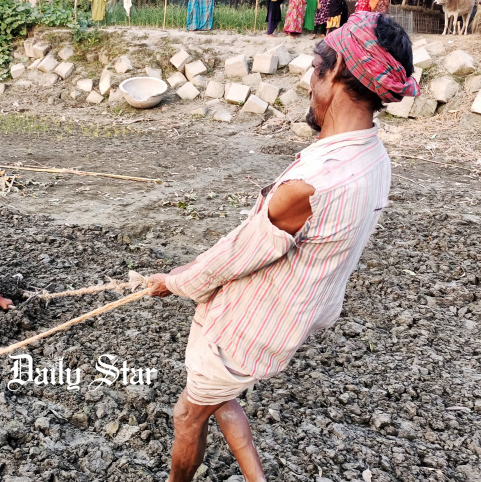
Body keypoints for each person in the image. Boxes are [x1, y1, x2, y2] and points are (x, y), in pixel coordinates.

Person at [148, 12, 420, 482]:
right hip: (296, 315)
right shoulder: (374, 158)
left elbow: (236, 254)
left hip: (245, 327)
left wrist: (172, 282)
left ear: (333, 73)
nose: (309, 79)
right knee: (219, 397)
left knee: (187, 415)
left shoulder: (310, 186)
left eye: (316, 65)